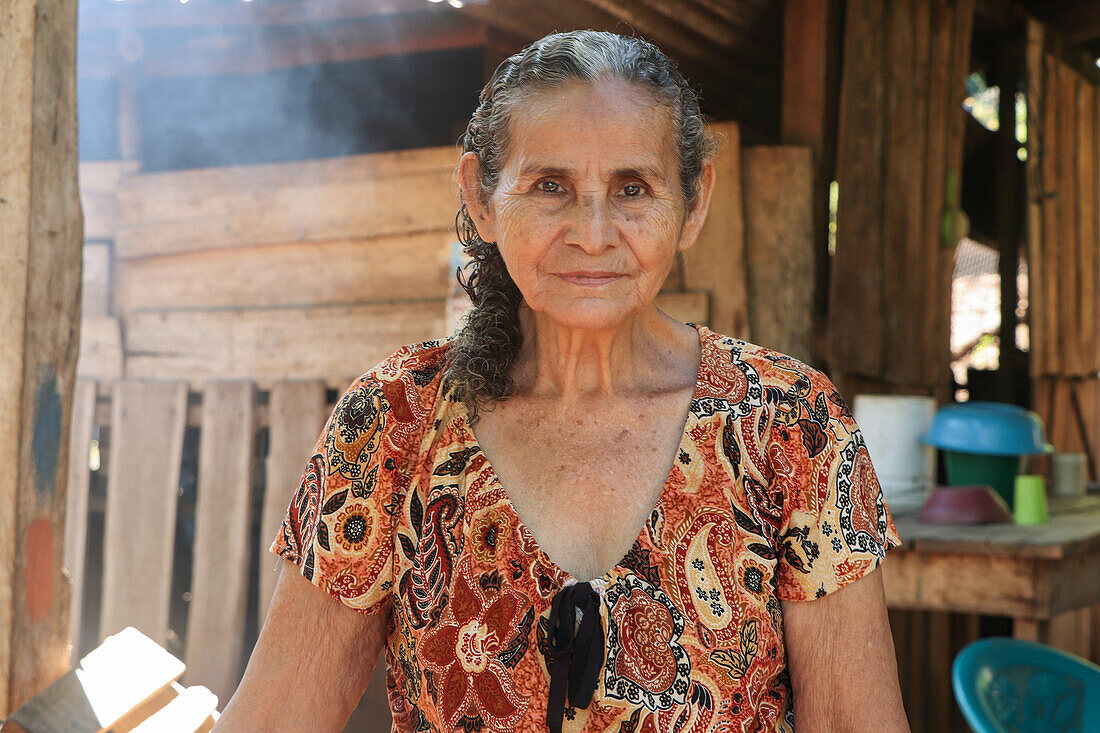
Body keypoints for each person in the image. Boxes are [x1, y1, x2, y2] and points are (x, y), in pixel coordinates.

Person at [215, 30, 909, 732]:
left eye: (632, 188)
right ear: (481, 199)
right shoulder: (394, 421)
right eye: (551, 186)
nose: (593, 231)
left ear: (694, 203)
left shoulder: (790, 426)